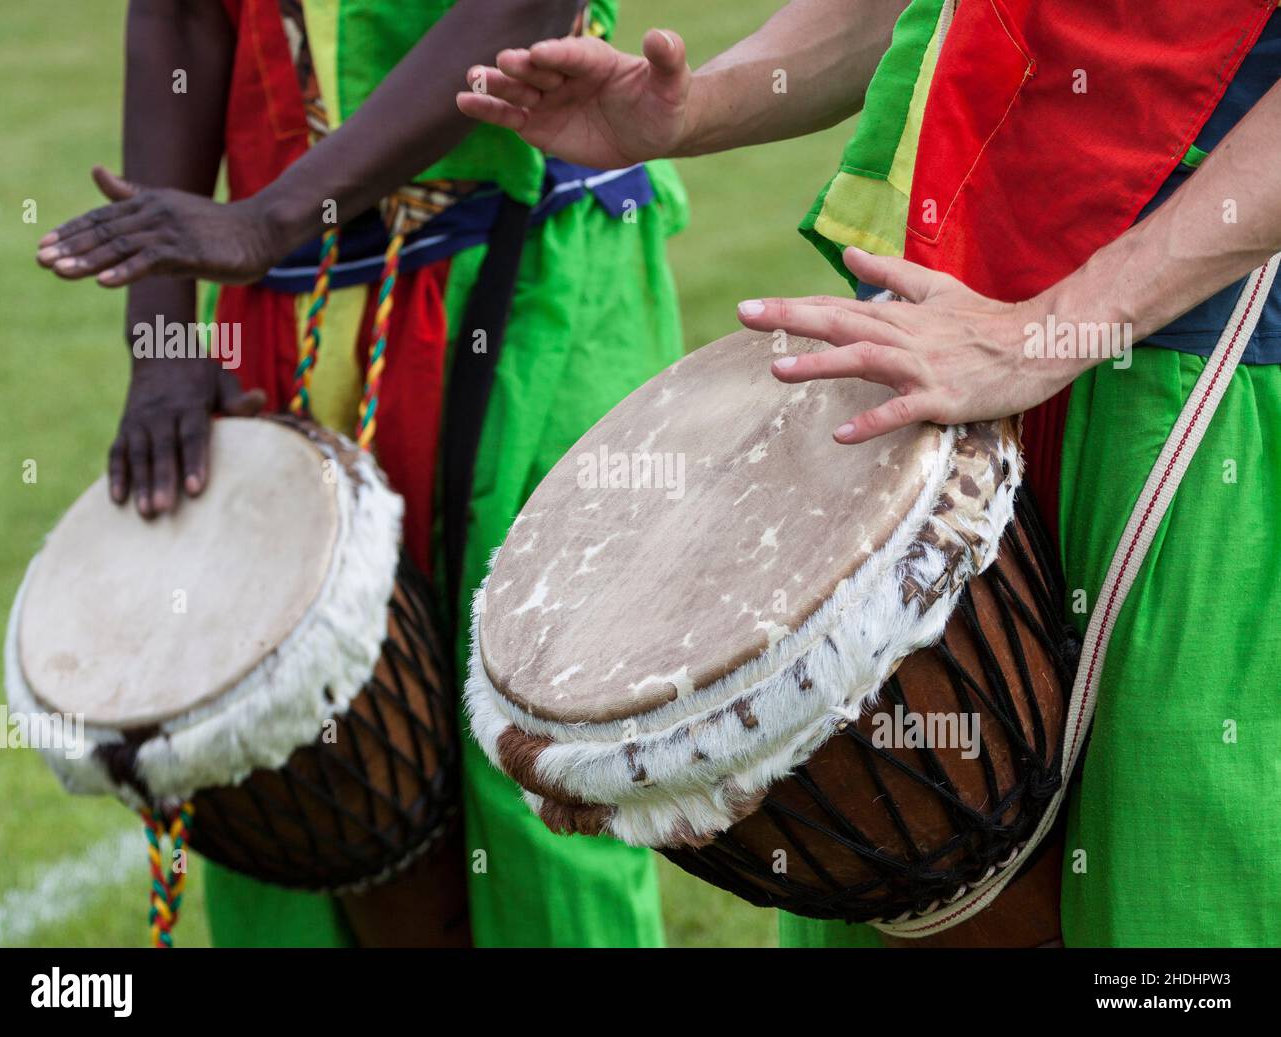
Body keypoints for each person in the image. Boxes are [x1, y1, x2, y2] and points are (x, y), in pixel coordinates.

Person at [453, 0, 1281, 947]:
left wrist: (1045, 333)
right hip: (931, 334)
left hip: (1178, 364)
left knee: (1174, 911)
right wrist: (696, 107)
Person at [36, 0, 686, 948]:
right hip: (278, 297)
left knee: (542, 766)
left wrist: (268, 219)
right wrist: (165, 342)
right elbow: (178, 17)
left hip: (523, 271)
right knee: (274, 766)